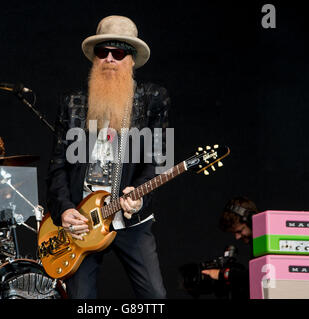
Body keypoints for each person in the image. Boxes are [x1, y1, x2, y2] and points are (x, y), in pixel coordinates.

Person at [45, 15, 170, 299]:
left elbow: (159, 158)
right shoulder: (72, 102)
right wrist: (64, 209)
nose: (110, 59)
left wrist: (140, 198)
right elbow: (57, 165)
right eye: (103, 52)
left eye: (119, 52)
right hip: (82, 220)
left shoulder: (153, 98)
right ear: (94, 59)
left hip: (130, 219)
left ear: (131, 59)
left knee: (155, 296)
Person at [201, 196, 259, 299]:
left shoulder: (269, 240)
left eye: (240, 231)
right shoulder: (258, 243)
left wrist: (222, 274)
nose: (237, 237)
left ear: (251, 220)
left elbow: (258, 276)